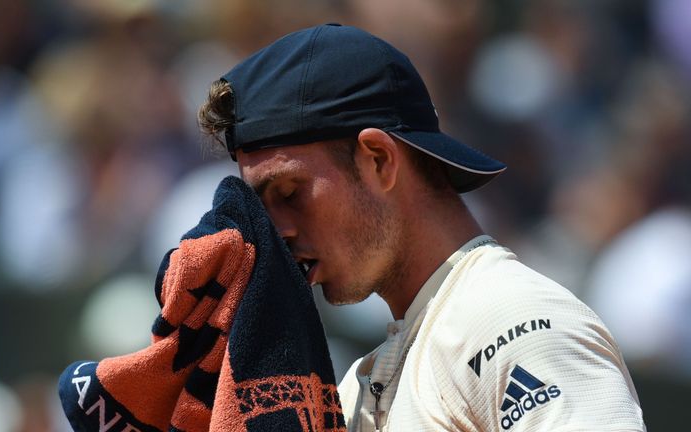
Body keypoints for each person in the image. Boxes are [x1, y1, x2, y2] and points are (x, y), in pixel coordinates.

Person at [197, 23, 645, 432]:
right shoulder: (356, 386)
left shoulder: (513, 320)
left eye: (290, 193)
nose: (278, 231)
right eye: (262, 207)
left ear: (379, 159)